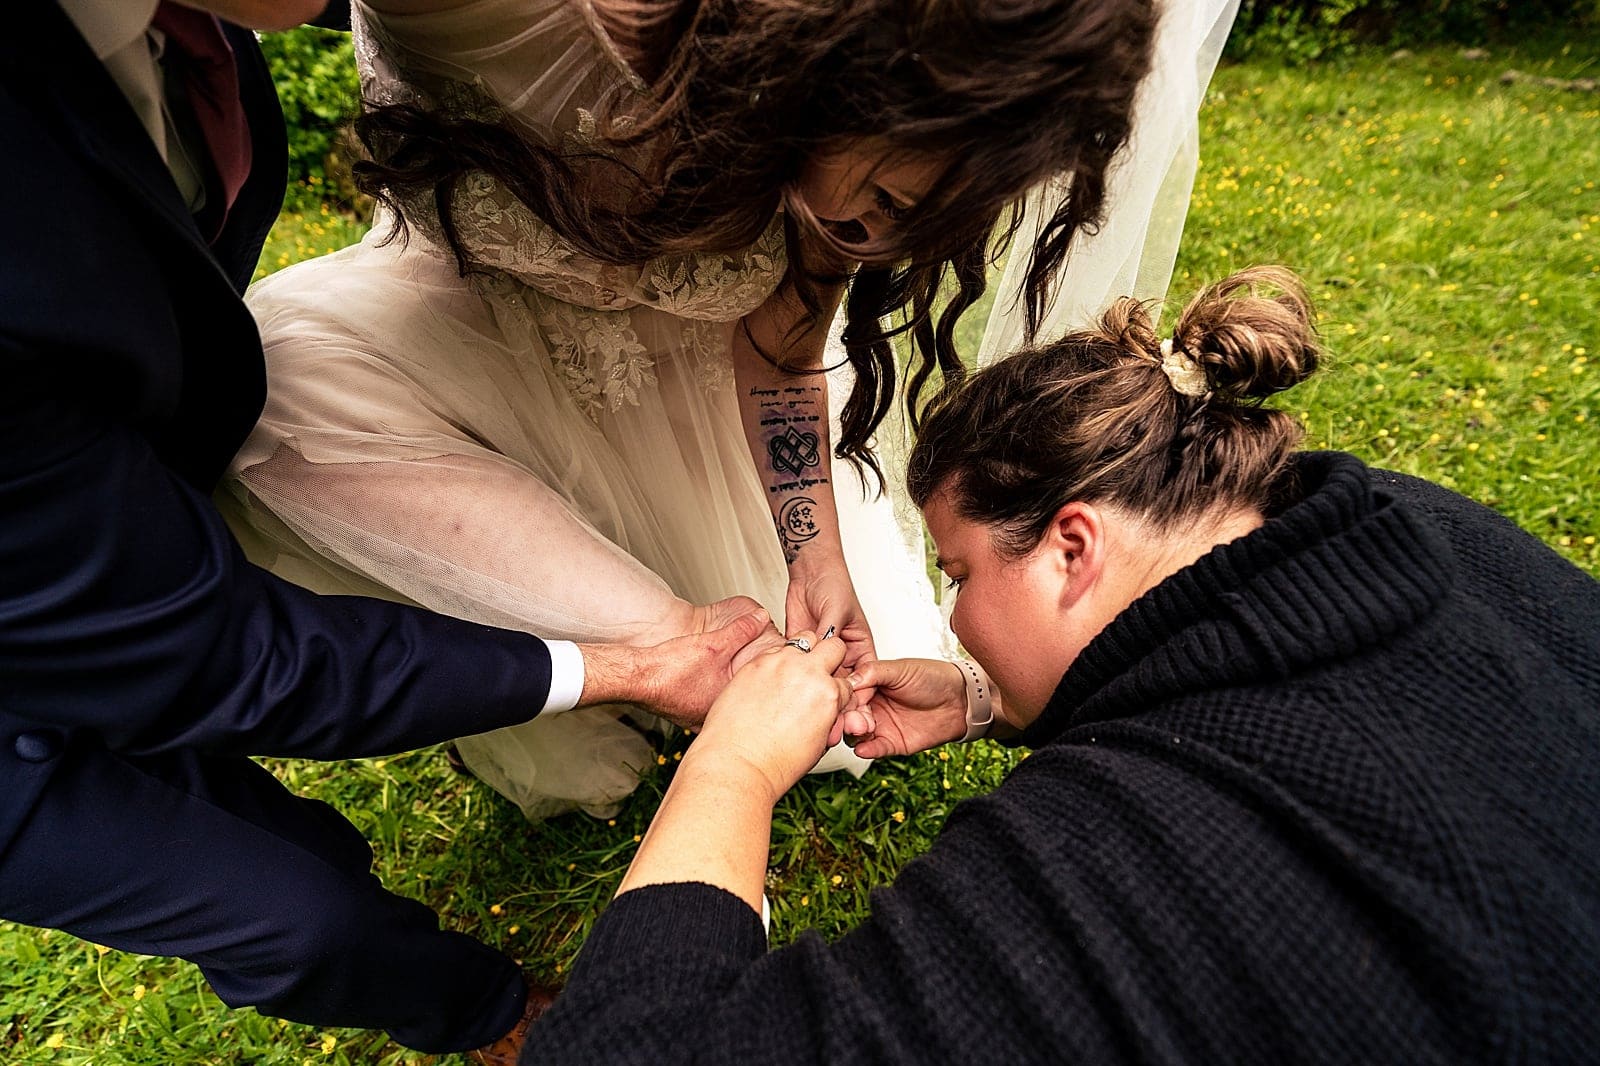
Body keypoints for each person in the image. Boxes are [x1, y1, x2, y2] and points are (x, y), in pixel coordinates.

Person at [522, 267, 1600, 1064]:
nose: (950, 614)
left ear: (1072, 547)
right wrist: (989, 699)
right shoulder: (1426, 526)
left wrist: (732, 767)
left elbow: (627, 1048)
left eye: (956, 574)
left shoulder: (1119, 854)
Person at [221, 0, 1239, 819]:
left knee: (835, 663)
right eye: (890, 198)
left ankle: (717, 657)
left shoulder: (888, 172)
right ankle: (660, 648)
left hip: (694, 376)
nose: (892, 236)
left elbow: (778, 343)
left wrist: (815, 551)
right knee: (271, 388)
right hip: (468, 332)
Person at [0, 3, 770, 1061]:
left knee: (289, 853)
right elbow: (220, 655)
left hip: (81, 526)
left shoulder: (194, 36)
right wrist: (618, 664)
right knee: (294, 917)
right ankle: (499, 1018)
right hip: (73, 596)